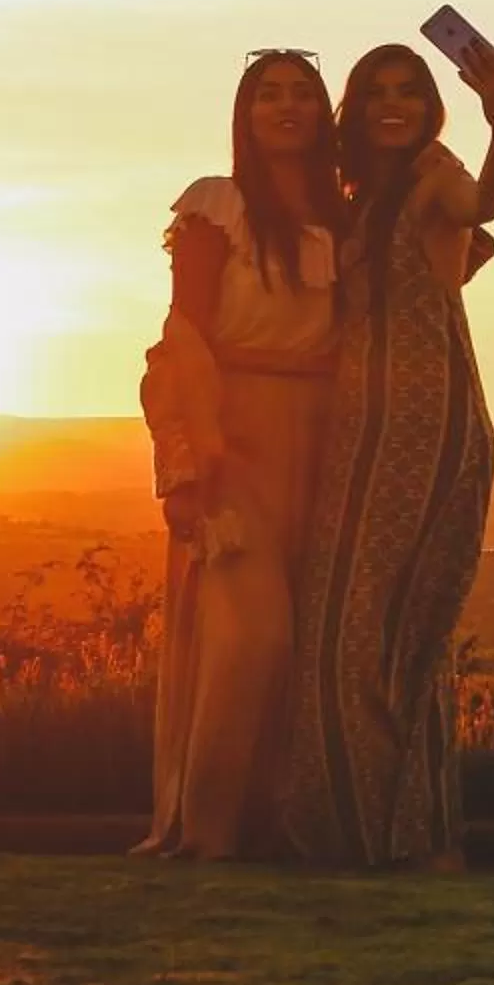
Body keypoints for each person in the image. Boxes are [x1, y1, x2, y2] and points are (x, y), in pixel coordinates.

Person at [273, 38, 494, 869]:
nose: (392, 103)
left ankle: (403, 835)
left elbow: (484, 204)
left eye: (407, 90)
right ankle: (359, 828)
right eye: (376, 90)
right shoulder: (357, 197)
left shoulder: (435, 174)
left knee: (390, 631)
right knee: (342, 626)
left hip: (427, 424)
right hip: (359, 430)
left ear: (428, 106)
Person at [135, 48, 344, 859]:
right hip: (238, 433)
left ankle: (281, 825)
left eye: (303, 93)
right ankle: (206, 832)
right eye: (269, 95)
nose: (287, 106)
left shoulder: (347, 219)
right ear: (245, 115)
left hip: (329, 441)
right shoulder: (217, 207)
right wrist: (187, 460)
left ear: (326, 114)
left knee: (313, 648)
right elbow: (183, 334)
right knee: (251, 636)